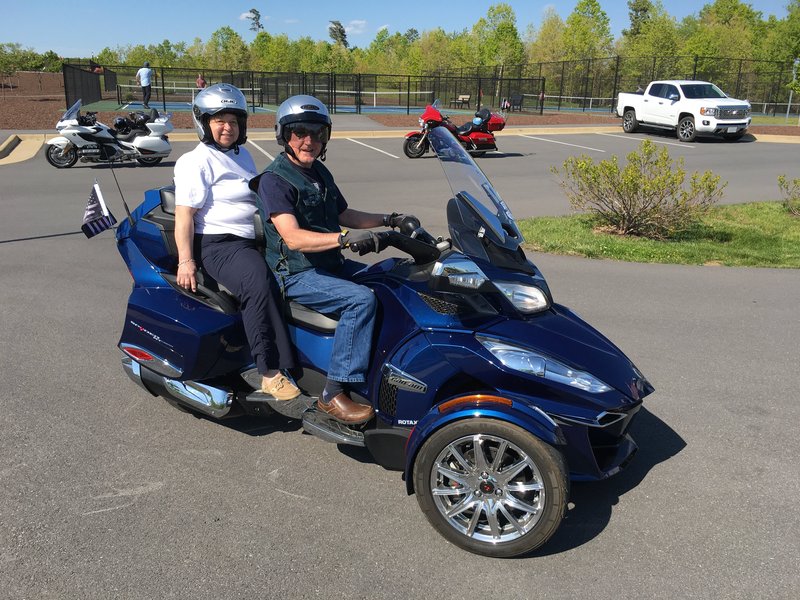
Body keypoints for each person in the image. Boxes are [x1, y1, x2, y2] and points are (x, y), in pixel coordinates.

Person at [251, 95, 411, 425]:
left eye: (317, 133)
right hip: (295, 273)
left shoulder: (318, 171)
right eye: (299, 132)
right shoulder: (274, 180)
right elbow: (292, 237)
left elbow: (344, 213)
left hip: (328, 264)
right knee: (360, 300)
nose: (309, 140)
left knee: (391, 279)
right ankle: (333, 393)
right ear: (284, 136)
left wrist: (391, 219)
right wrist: (342, 239)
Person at [173, 83, 302, 404]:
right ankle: (269, 372)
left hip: (252, 239)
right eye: (219, 121)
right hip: (219, 245)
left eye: (232, 120)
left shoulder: (241, 154)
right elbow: (184, 216)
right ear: (203, 123)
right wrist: (186, 261)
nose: (227, 127)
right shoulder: (195, 161)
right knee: (257, 282)